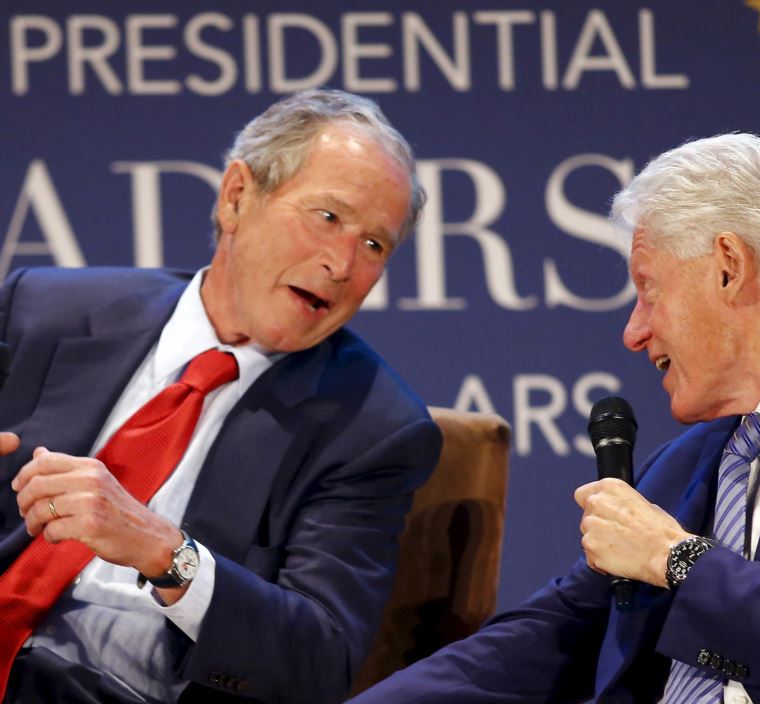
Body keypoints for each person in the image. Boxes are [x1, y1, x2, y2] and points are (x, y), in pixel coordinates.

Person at [347, 133, 760, 703]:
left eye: (648, 290)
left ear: (729, 268)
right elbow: (550, 633)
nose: (634, 333)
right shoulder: (689, 463)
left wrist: (674, 557)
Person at [0, 89, 441, 703]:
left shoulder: (371, 428)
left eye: (374, 245)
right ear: (238, 197)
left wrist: (165, 552)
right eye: (328, 217)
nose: (342, 263)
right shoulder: (41, 312)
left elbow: (318, 658)